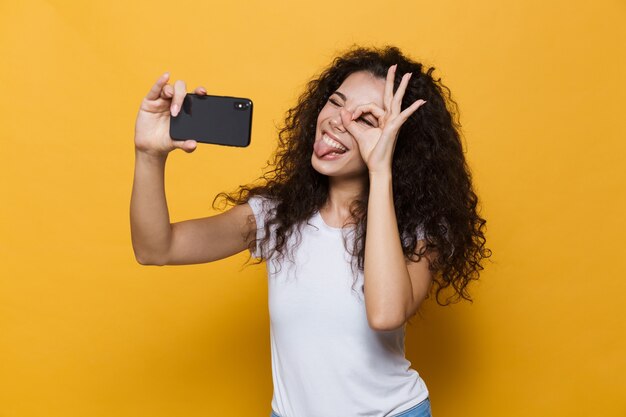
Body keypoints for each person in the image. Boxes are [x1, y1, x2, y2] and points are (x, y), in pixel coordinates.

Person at [130, 45, 491, 417]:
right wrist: (148, 154)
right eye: (335, 102)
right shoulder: (275, 217)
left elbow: (385, 314)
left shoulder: (419, 229)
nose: (338, 120)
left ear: (400, 143)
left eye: (366, 120)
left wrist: (380, 170)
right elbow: (156, 248)